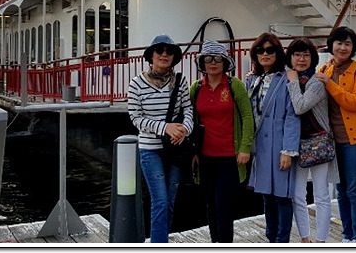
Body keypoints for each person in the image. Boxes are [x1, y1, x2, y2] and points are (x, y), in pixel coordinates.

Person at [127, 34, 193, 243]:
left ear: (174, 57)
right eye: (159, 50)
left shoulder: (180, 81)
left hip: (175, 149)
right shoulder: (136, 84)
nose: (164, 54)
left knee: (170, 202)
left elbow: (188, 109)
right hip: (150, 150)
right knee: (160, 201)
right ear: (151, 55)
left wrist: (185, 129)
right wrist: (166, 128)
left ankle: (161, 240)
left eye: (169, 51)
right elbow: (136, 118)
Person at [188, 40, 254, 243]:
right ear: (202, 63)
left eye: (218, 58)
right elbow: (190, 119)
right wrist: (193, 152)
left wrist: (245, 147)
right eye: (208, 59)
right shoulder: (196, 88)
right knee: (209, 203)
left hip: (229, 155)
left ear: (225, 62)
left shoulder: (234, 85)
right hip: (205, 155)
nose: (213, 63)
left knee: (224, 203)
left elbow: (247, 116)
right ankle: (214, 242)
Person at [313, 26, 356, 243]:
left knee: (355, 190)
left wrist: (330, 85)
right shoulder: (325, 68)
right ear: (331, 45)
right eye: (339, 43)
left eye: (348, 44)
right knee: (341, 189)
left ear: (354, 47)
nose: (343, 48)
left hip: (354, 139)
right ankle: (347, 235)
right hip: (331, 139)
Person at [245, 33, 300, 243]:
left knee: (282, 196)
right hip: (260, 146)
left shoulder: (286, 78)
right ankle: (271, 239)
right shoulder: (252, 80)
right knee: (267, 195)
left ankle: (282, 240)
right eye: (260, 50)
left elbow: (292, 115)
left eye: (270, 50)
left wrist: (288, 150)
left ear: (278, 53)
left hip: (279, 145)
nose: (265, 54)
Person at [286, 37, 338, 243]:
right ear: (290, 57)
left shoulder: (316, 81)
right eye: (297, 55)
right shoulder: (287, 78)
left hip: (319, 141)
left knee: (321, 194)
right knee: (297, 194)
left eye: (306, 55)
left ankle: (321, 241)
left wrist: (292, 82)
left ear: (312, 58)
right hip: (296, 143)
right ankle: (304, 239)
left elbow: (300, 106)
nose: (301, 59)